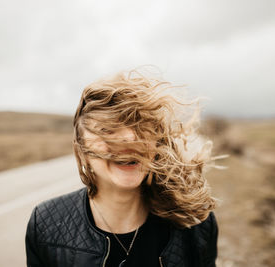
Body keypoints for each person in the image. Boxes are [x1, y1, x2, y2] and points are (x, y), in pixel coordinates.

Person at [25, 69, 219, 267]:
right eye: (107, 129)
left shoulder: (194, 223)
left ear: (157, 144)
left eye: (139, 125)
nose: (129, 138)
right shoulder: (46, 225)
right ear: (82, 150)